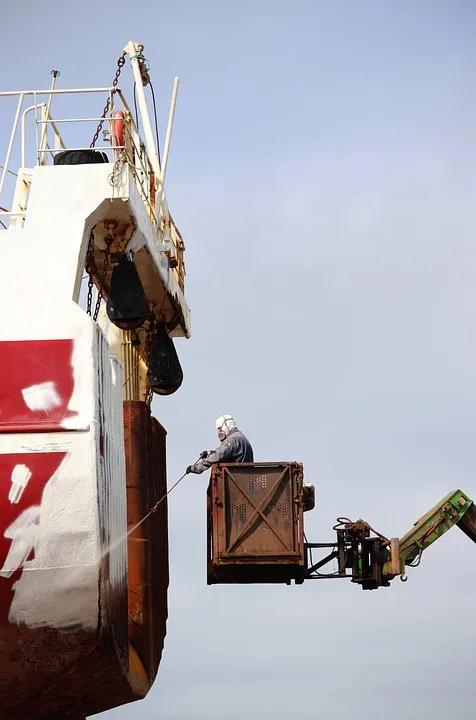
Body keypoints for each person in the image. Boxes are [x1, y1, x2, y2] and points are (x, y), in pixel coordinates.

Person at [186, 415, 254, 474]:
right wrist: (209, 453)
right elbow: (225, 453)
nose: (219, 432)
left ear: (226, 424)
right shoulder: (241, 437)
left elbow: (218, 456)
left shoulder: (231, 441)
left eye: (219, 428)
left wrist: (195, 468)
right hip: (244, 479)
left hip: (235, 480)